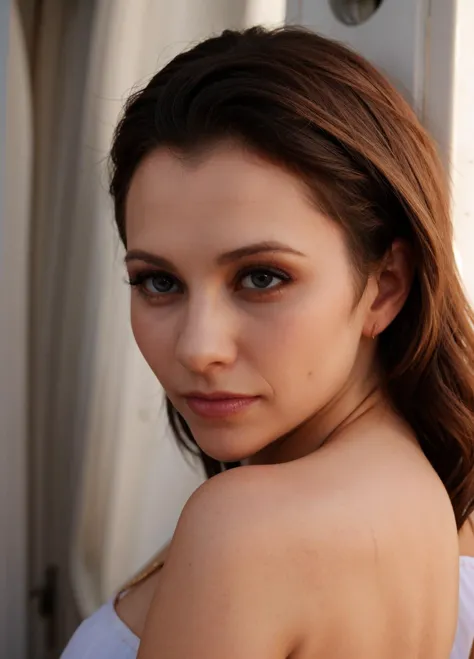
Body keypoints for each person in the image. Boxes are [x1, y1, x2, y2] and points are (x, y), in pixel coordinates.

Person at [61, 26, 474, 658]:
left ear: (384, 285)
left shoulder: (244, 531)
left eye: (262, 277)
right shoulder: (448, 507)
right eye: (159, 281)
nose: (199, 348)